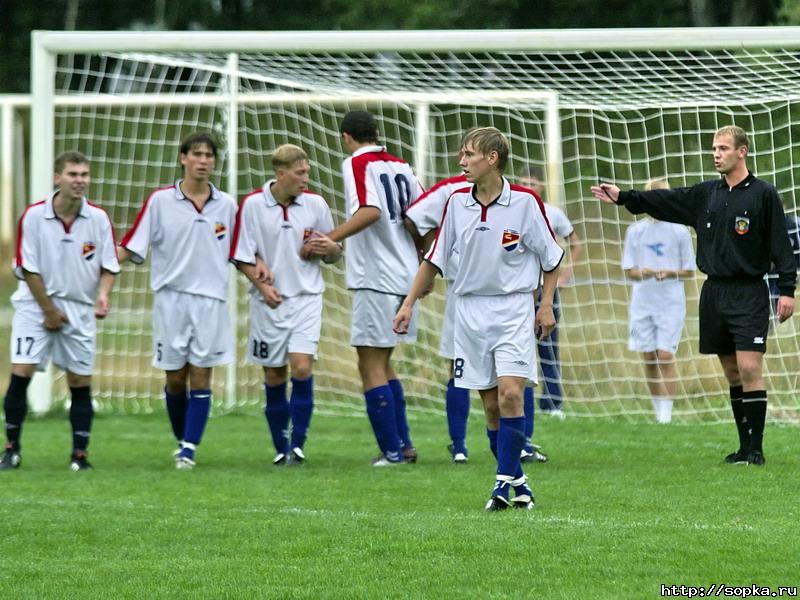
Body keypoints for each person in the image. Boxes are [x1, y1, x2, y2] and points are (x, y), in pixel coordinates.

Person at [591, 125, 796, 465]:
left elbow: (782, 246)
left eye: (723, 148)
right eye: (714, 148)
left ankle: (757, 450)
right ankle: (743, 448)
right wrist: (625, 195)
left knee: (748, 366)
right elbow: (665, 201)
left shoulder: (763, 194)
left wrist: (787, 290)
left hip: (748, 291)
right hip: (713, 292)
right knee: (731, 370)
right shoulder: (706, 194)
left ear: (742, 152)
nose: (716, 154)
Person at [394, 127, 564, 511]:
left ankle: (501, 486)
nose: (461, 161)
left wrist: (545, 304)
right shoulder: (455, 202)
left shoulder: (525, 203)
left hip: (513, 309)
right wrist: (407, 304)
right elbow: (433, 260)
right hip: (468, 310)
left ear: (492, 158)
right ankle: (517, 480)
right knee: (490, 407)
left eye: (469, 154)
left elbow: (552, 257)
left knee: (510, 394)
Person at [117, 132, 237, 470]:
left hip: (211, 301)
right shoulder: (160, 202)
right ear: (183, 158)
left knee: (201, 374)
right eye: (196, 154)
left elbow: (242, 250)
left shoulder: (227, 205)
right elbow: (132, 246)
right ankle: (182, 438)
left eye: (208, 155)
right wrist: (100, 263)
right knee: (174, 377)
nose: (203, 160)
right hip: (170, 301)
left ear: (214, 161)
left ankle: (188, 448)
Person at [1, 151, 119, 471]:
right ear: (57, 178)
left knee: (80, 382)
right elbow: (29, 269)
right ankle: (11, 449)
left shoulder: (98, 218)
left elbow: (109, 264)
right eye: (72, 174)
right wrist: (49, 311)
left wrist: (103, 295)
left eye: (84, 174)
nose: (80, 180)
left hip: (79, 308)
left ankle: (79, 455)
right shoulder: (34, 217)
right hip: (35, 305)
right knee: (21, 372)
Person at [319, 110, 423, 466]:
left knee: (369, 364)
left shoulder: (357, 163)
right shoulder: (401, 165)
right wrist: (422, 267)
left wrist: (329, 237)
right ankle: (403, 445)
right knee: (384, 361)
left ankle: (392, 451)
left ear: (347, 137)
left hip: (376, 277)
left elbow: (370, 211)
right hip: (405, 275)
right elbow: (421, 218)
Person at [231, 144, 341, 466]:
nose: (306, 178)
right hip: (270, 302)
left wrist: (331, 248)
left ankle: (299, 444)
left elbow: (334, 256)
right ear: (281, 174)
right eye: (300, 173)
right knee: (275, 374)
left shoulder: (316, 205)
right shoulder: (252, 205)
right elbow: (240, 254)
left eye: (307, 172)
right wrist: (261, 283)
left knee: (302, 366)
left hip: (307, 298)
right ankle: (281, 446)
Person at [403, 174, 473, 463]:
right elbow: (413, 218)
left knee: (512, 371)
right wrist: (431, 252)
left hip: (506, 294)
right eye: (464, 153)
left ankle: (522, 444)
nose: (465, 161)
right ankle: (458, 446)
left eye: (472, 154)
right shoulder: (451, 189)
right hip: (462, 287)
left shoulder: (514, 194)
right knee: (459, 366)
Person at [516, 164, 583, 462]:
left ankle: (553, 402)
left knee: (548, 347)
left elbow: (575, 244)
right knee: (520, 348)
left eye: (533, 182)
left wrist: (565, 274)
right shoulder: (515, 209)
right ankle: (520, 401)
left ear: (541, 185)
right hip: (519, 290)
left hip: (546, 291)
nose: (529, 185)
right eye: (524, 181)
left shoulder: (553, 214)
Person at [621, 179, 695, 424]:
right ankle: (657, 411)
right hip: (643, 301)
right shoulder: (636, 231)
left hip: (671, 301)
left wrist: (670, 273)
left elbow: (689, 270)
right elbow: (629, 269)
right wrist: (644, 271)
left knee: (665, 355)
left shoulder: (680, 230)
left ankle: (666, 416)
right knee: (649, 357)